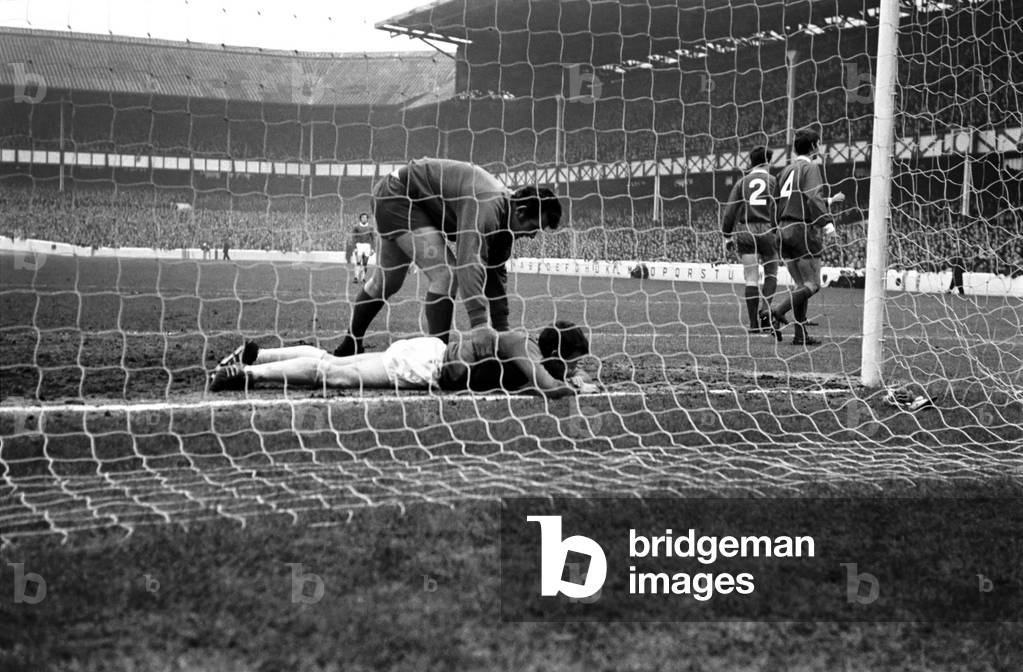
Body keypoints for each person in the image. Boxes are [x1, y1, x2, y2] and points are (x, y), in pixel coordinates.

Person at [334, 158, 563, 357]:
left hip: (401, 196)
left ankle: (350, 345)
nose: (533, 236)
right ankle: (437, 357)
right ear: (521, 212)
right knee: (448, 274)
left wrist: (502, 329)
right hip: (399, 195)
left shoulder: (504, 227)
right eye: (534, 227)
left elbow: (495, 273)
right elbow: (469, 262)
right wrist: (480, 325)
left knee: (385, 282)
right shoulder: (486, 205)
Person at [209, 321, 597, 399]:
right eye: (576, 362)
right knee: (334, 375)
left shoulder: (529, 351)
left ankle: (256, 353)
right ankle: (247, 372)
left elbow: (543, 378)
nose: (577, 369)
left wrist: (570, 379)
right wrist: (575, 387)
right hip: (425, 366)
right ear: (558, 353)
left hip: (428, 357)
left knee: (333, 362)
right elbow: (549, 388)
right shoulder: (522, 346)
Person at [768, 128, 845, 345]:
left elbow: (775, 202)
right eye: (819, 143)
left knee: (801, 285)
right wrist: (827, 222)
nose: (819, 147)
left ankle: (800, 335)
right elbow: (812, 197)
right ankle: (777, 310)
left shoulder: (784, 171)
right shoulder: (810, 168)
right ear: (813, 147)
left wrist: (776, 229)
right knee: (813, 285)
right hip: (802, 229)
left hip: (783, 230)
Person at [720, 146, 781, 339]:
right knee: (771, 274)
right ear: (767, 163)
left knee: (751, 278)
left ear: (751, 163)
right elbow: (779, 207)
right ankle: (766, 312)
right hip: (768, 230)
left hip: (746, 230)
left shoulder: (742, 182)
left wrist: (727, 235)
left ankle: (753, 324)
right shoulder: (773, 181)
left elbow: (730, 210)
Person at [346, 213, 376, 284]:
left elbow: (373, 238)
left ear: (367, 219)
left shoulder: (370, 227)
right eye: (363, 218)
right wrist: (355, 247)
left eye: (365, 218)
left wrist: (373, 249)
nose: (364, 219)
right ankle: (356, 277)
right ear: (360, 219)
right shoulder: (356, 227)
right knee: (358, 262)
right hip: (359, 245)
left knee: (365, 263)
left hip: (367, 246)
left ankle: (363, 278)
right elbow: (353, 237)